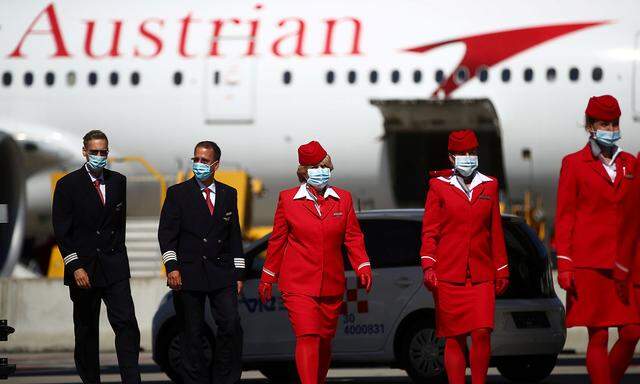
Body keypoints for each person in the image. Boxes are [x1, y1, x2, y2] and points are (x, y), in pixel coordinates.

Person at [258, 141, 373, 384]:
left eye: (324, 166)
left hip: (331, 283)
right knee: (307, 336)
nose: (321, 171)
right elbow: (277, 240)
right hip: (298, 284)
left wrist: (362, 265)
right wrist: (268, 276)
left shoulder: (343, 198)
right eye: (314, 167)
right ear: (303, 171)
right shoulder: (288, 200)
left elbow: (352, 236)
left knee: (324, 340)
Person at [554, 95, 640, 384]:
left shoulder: (630, 164)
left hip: (625, 265)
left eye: (614, 123)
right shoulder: (573, 164)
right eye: (604, 123)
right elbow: (564, 217)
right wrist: (564, 264)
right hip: (588, 264)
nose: (611, 128)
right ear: (590, 125)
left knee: (631, 333)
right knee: (599, 335)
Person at [420, 130, 509, 384]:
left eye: (471, 153)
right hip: (448, 275)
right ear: (451, 157)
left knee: (482, 332)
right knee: (454, 336)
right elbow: (430, 231)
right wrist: (428, 265)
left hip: (482, 274)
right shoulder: (438, 187)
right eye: (462, 154)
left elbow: (495, 231)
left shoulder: (489, 185)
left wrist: (502, 269)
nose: (468, 158)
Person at [52, 130, 141, 384]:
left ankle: (132, 379)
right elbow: (62, 232)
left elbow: (118, 225)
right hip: (84, 269)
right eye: (95, 152)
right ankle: (91, 380)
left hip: (114, 267)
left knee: (126, 325)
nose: (100, 157)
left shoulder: (118, 181)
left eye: (103, 152)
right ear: (84, 152)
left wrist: (120, 257)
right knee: (86, 330)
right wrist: (75, 266)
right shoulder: (67, 185)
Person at [158, 141, 245, 384]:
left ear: (215, 165)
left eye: (204, 161)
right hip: (188, 273)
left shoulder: (229, 194)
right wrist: (172, 267)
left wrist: (238, 273)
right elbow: (166, 234)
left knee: (230, 325)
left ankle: (225, 378)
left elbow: (234, 235)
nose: (199, 164)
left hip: (221, 273)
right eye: (196, 159)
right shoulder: (178, 193)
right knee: (191, 332)